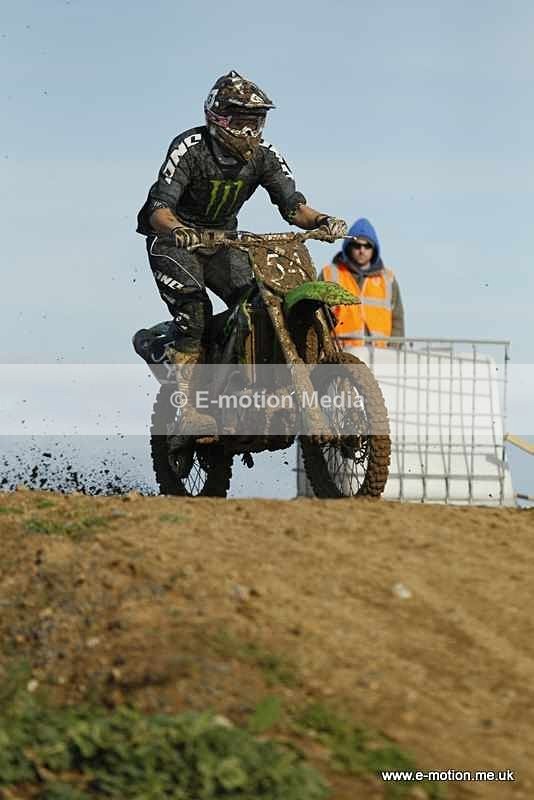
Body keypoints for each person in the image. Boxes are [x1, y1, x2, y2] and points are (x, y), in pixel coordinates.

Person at [136, 70, 346, 434]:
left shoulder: (265, 155)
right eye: (241, 122)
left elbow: (294, 206)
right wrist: (179, 229)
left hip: (225, 242)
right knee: (195, 311)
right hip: (174, 241)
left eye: (256, 122)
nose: (249, 132)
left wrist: (322, 220)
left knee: (261, 299)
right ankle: (187, 405)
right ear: (217, 118)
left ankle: (241, 381)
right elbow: (158, 208)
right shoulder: (190, 148)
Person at [319, 217, 405, 348]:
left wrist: (393, 351)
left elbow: (397, 318)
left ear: (374, 248)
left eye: (367, 245)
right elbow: (318, 316)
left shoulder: (388, 279)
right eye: (357, 245)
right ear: (348, 246)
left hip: (380, 357)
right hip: (341, 355)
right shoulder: (329, 274)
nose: (362, 250)